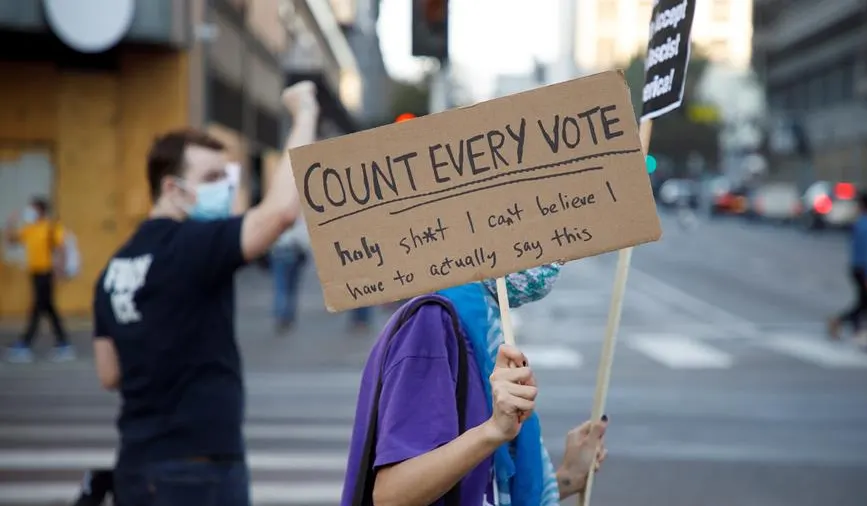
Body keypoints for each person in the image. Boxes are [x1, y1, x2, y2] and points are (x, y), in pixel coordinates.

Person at [91, 81, 319, 506]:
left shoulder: (113, 269)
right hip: (197, 470)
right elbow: (281, 212)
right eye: (212, 178)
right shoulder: (190, 246)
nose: (225, 188)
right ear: (172, 189)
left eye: (226, 177)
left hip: (137, 466)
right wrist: (304, 113)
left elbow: (110, 373)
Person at [342, 264, 608, 506]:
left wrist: (567, 479)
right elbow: (392, 495)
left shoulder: (482, 321)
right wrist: (493, 430)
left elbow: (479, 487)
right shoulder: (433, 320)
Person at [4, 196, 73, 363]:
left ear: (41, 210)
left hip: (46, 273)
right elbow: (11, 241)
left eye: (32, 208)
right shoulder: (30, 228)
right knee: (48, 308)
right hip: (34, 273)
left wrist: (61, 269)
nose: (29, 212)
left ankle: (25, 343)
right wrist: (9, 223)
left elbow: (62, 248)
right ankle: (64, 344)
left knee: (38, 308)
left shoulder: (50, 227)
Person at [829, 190, 867, 353]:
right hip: (866, 270)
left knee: (865, 303)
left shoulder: (862, 222)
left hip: (860, 268)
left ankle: (839, 321)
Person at [270, 216, 311, 333]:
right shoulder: (298, 209)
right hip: (296, 249)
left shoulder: (278, 208)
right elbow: (304, 233)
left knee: (281, 286)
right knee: (292, 286)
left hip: (279, 248)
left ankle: (281, 315)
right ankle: (288, 315)